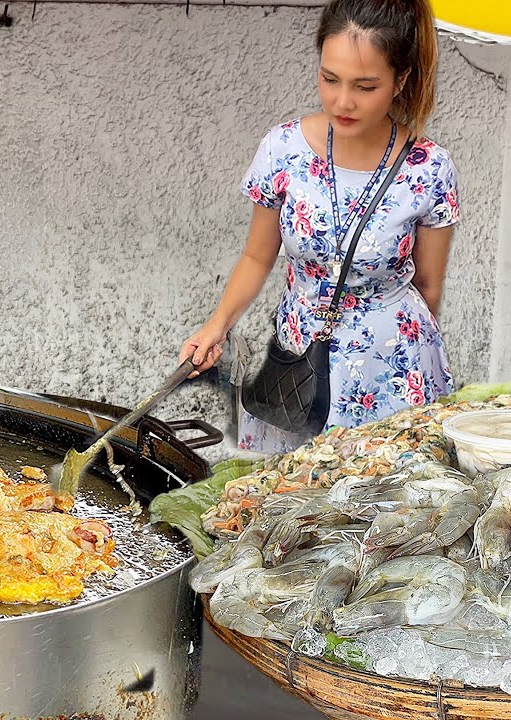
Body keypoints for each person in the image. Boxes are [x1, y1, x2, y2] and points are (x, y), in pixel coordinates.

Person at [178, 0, 459, 453]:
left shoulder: (430, 168)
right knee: (287, 491)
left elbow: (428, 286)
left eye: (365, 86)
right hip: (298, 366)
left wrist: (406, 359)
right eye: (330, 79)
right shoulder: (283, 149)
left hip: (391, 367)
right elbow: (257, 256)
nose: (342, 101)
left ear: (401, 79)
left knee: (380, 492)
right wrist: (217, 325)